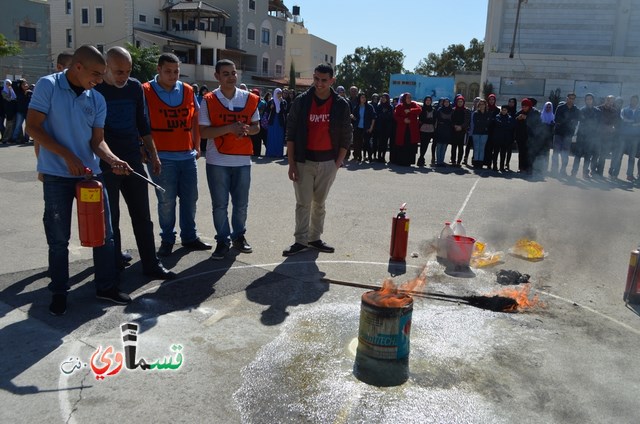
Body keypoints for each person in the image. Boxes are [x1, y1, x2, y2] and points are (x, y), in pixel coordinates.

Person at [26, 45, 133, 315]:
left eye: (102, 75)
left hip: (90, 177)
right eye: (95, 74)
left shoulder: (96, 99)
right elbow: (32, 127)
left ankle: (106, 287)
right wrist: (67, 156)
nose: (99, 80)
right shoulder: (47, 86)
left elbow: (98, 142)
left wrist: (113, 160)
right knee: (59, 237)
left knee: (104, 235)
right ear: (78, 67)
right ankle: (59, 292)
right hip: (56, 176)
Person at [95, 46, 175, 280]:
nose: (124, 77)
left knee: (142, 215)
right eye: (119, 72)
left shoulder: (134, 87)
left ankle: (151, 263)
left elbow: (143, 123)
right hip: (105, 162)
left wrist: (153, 153)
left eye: (128, 71)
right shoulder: (95, 89)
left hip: (132, 160)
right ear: (106, 67)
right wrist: (109, 159)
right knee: (112, 218)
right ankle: (114, 261)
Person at [143, 53, 211, 257]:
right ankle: (167, 238)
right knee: (166, 200)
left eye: (176, 71)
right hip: (161, 157)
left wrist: (197, 146)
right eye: (168, 71)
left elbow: (194, 120)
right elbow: (141, 123)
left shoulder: (188, 90)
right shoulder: (145, 91)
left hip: (186, 155)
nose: (173, 75)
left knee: (190, 198)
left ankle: (189, 236)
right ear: (158, 70)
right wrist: (145, 149)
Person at [282, 63, 351, 256]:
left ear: (332, 81)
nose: (319, 84)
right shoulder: (302, 101)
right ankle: (301, 240)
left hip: (328, 162)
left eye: (324, 80)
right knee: (303, 203)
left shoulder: (340, 104)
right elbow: (291, 133)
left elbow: (347, 135)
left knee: (319, 203)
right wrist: (291, 163)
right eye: (316, 79)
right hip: (304, 161)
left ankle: (315, 238)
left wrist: (337, 163)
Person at [199, 59, 261, 260]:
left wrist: (247, 130)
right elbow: (203, 132)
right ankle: (222, 241)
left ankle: (239, 237)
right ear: (217, 76)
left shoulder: (249, 98)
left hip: (242, 161)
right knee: (220, 204)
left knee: (241, 204)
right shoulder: (208, 100)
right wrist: (229, 128)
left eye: (233, 72)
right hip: (217, 161)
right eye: (225, 73)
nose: (231, 77)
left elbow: (256, 127)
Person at [572, 93, 600, 179]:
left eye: (590, 99)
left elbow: (599, 124)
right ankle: (574, 173)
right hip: (581, 136)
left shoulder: (597, 111)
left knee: (588, 156)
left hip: (591, 138)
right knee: (578, 156)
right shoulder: (581, 110)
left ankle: (585, 173)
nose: (589, 100)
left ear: (593, 100)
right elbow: (579, 123)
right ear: (585, 100)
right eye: (587, 99)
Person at [551, 93, 580, 175]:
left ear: (574, 99)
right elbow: (557, 119)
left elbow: (575, 121)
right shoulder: (560, 108)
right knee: (556, 152)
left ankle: (563, 170)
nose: (571, 100)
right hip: (558, 133)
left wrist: (565, 121)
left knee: (565, 153)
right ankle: (554, 170)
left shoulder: (576, 109)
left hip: (568, 134)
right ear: (567, 98)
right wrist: (568, 121)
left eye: (573, 98)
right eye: (570, 98)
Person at [392, 92, 421, 166]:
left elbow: (419, 110)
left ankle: (409, 161)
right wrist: (403, 120)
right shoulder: (399, 106)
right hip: (402, 129)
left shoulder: (413, 105)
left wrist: (410, 110)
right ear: (404, 99)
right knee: (402, 145)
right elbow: (396, 116)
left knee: (410, 145)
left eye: (410, 97)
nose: (409, 99)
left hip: (411, 129)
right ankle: (400, 161)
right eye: (408, 98)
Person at [617, 95, 640, 181]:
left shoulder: (639, 111)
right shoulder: (624, 110)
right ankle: (615, 174)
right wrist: (634, 122)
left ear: (637, 102)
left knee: (632, 157)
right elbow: (622, 119)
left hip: (635, 137)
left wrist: (631, 123)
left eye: (636, 101)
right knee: (619, 155)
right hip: (624, 136)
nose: (634, 102)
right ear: (630, 101)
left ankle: (629, 175)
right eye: (633, 100)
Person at [351, 92, 376, 163]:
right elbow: (356, 118)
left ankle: (370, 157)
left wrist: (371, 127)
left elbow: (373, 117)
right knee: (358, 143)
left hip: (366, 127)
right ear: (359, 98)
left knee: (367, 143)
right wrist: (353, 117)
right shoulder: (356, 107)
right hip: (358, 127)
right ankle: (359, 157)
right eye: (362, 97)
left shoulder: (370, 107)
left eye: (364, 97)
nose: (363, 99)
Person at [491, 105, 515, 171]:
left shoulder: (510, 118)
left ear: (507, 111)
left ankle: (502, 167)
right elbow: (498, 123)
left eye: (505, 110)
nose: (504, 111)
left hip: (505, 139)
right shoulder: (497, 116)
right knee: (495, 153)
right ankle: (494, 166)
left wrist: (503, 125)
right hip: (497, 138)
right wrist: (505, 125)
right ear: (501, 110)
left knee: (503, 154)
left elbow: (511, 126)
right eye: (502, 110)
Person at [265, 87, 287, 157]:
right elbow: (267, 111)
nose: (279, 94)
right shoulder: (271, 101)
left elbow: (284, 111)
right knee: (271, 137)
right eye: (278, 93)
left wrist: (281, 103)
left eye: (280, 93)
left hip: (280, 122)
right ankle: (270, 153)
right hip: (272, 121)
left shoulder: (283, 101)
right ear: (275, 93)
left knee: (279, 137)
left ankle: (278, 153)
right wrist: (270, 108)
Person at [450, 95, 471, 166]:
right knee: (453, 147)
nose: (460, 103)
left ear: (463, 102)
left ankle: (459, 161)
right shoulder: (453, 110)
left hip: (462, 131)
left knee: (461, 147)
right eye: (458, 101)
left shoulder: (466, 110)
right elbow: (451, 120)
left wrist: (461, 127)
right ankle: (453, 161)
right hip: (454, 130)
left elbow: (467, 121)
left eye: (461, 101)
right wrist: (454, 126)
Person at [374, 93, 394, 163]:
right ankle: (379, 156)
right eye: (382, 97)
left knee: (385, 143)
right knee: (379, 143)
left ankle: (383, 157)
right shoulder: (379, 106)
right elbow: (377, 116)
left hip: (387, 128)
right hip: (380, 127)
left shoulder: (390, 107)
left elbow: (390, 117)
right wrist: (383, 115)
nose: (383, 99)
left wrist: (383, 115)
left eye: (385, 97)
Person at [471, 99, 491, 168]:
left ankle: (480, 162)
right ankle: (476, 162)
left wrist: (482, 123)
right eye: (480, 104)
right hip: (476, 132)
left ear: (485, 105)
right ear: (478, 105)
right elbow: (476, 123)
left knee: (482, 148)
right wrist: (483, 123)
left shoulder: (488, 114)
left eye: (483, 104)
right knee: (476, 147)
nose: (482, 106)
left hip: (484, 133)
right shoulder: (475, 113)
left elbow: (488, 123)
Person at [434, 97, 453, 166]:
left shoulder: (451, 110)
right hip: (440, 130)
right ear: (443, 103)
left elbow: (451, 121)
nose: (446, 103)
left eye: (447, 102)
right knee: (439, 146)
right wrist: (445, 121)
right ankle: (438, 161)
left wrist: (445, 122)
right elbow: (439, 120)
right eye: (445, 102)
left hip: (447, 130)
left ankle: (442, 161)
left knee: (444, 146)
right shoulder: (439, 110)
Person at [417, 96, 436, 166]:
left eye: (429, 100)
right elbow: (421, 119)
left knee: (426, 144)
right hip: (423, 128)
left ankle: (421, 158)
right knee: (423, 144)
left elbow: (434, 119)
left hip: (430, 129)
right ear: (424, 101)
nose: (428, 101)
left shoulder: (433, 109)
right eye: (427, 100)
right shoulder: (422, 109)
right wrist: (428, 120)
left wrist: (429, 121)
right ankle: (421, 159)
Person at [12, 78, 31, 143]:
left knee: (28, 126)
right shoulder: (18, 91)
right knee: (18, 125)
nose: (25, 85)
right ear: (20, 85)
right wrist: (20, 80)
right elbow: (13, 84)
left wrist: (29, 92)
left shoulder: (30, 92)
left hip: (28, 112)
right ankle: (14, 139)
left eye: (26, 84)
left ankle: (26, 138)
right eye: (23, 84)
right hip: (20, 111)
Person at [1, 79, 17, 144]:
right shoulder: (3, 91)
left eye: (9, 84)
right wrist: (10, 90)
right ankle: (5, 139)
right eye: (7, 83)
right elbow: (9, 99)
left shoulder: (12, 90)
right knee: (9, 125)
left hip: (13, 109)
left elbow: (15, 98)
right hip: (8, 110)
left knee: (14, 124)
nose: (9, 85)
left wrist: (11, 90)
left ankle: (11, 138)